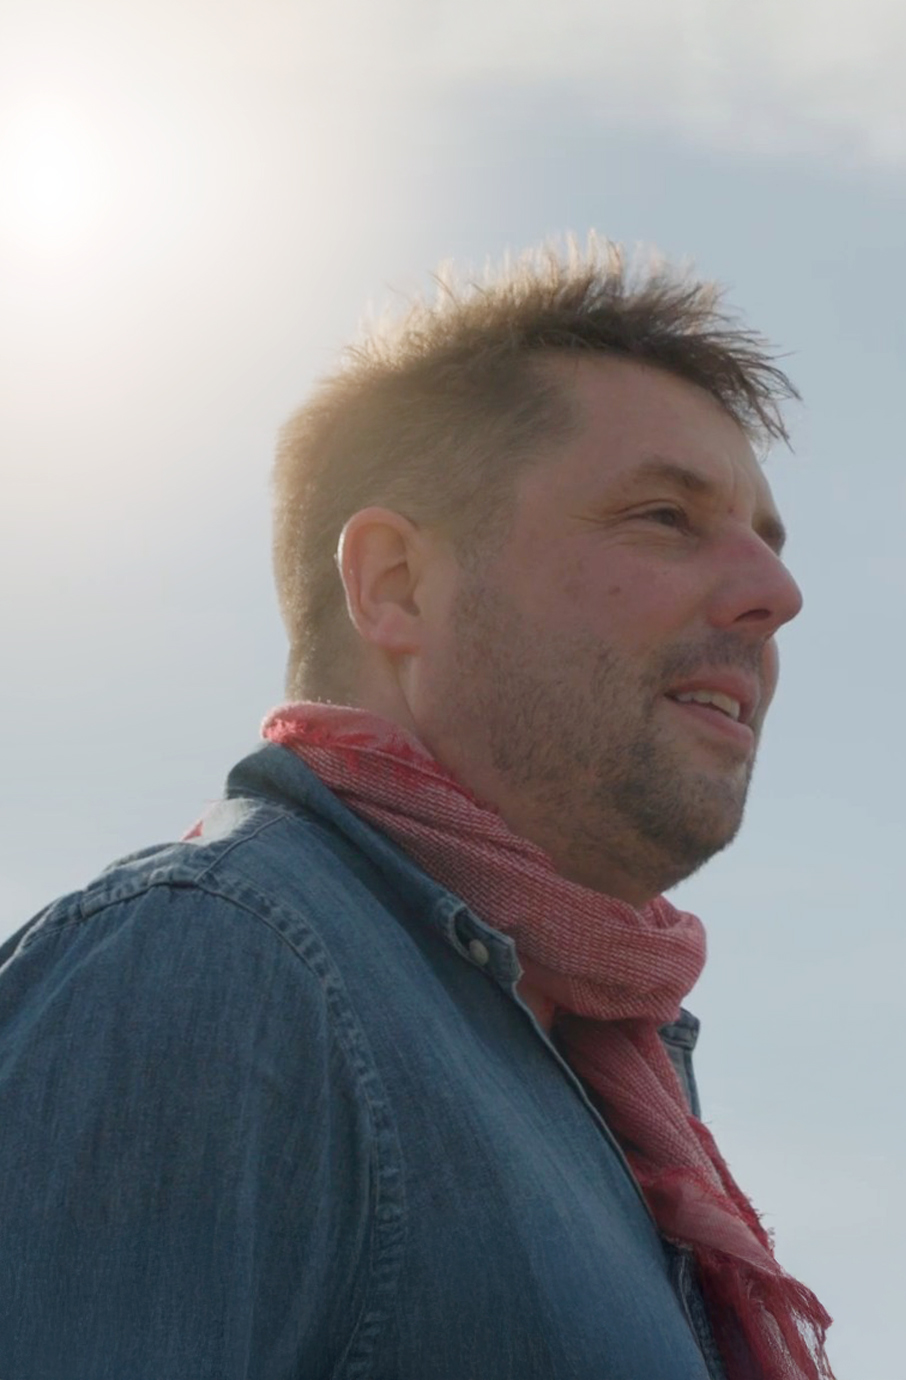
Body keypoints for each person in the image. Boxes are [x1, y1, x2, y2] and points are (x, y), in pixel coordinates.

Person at [0, 238, 834, 1380]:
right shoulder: (222, 969)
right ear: (397, 585)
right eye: (663, 516)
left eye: (765, 544)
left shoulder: (604, 1083)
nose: (777, 595)